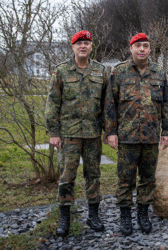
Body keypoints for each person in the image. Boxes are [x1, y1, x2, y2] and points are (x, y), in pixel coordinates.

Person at [105, 33, 168, 236]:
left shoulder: (159, 73)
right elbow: (110, 104)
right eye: (138, 46)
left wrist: (167, 131)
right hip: (127, 137)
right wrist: (111, 132)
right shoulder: (119, 72)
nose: (142, 49)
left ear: (150, 49)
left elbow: (167, 104)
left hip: (151, 137)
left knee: (148, 178)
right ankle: (126, 216)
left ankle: (143, 214)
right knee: (125, 179)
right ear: (131, 49)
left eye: (145, 46)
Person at [45, 30, 110, 236]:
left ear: (92, 47)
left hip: (92, 135)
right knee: (66, 177)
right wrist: (54, 132)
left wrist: (109, 131)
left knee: (93, 175)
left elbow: (108, 104)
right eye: (79, 43)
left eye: (87, 43)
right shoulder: (61, 71)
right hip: (68, 135)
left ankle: (93, 215)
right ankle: (65, 217)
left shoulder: (100, 71)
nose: (83, 46)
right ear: (72, 47)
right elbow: (52, 104)